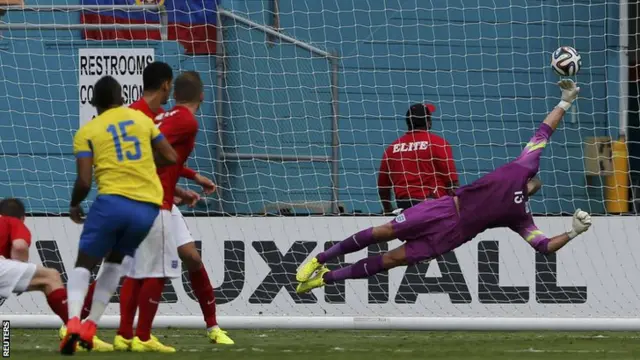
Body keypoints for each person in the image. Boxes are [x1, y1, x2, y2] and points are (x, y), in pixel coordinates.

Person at [296, 79, 592, 293]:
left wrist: (573, 232)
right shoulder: (522, 166)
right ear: (531, 179)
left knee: (391, 260)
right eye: (535, 181)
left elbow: (544, 247)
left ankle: (324, 279)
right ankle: (319, 260)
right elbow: (545, 130)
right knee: (382, 232)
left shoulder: (521, 216)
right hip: (442, 208)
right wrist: (565, 101)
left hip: (450, 233)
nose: (534, 184)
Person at [60, 75, 177, 355]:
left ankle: (74, 322)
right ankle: (91, 325)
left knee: (84, 264)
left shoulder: (88, 131)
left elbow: (85, 182)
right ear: (121, 98)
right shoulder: (142, 120)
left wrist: (75, 205)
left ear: (94, 104)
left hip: (112, 203)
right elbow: (171, 157)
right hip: (148, 207)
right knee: (115, 263)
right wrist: (147, 161)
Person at [378, 103, 459, 213]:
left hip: (405, 207)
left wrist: (388, 209)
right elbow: (452, 183)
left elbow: (383, 187)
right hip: (434, 206)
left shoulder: (391, 149)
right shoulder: (438, 143)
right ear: (428, 122)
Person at [0, 198, 69, 326]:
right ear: (22, 218)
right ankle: (74, 330)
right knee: (51, 277)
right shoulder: (11, 221)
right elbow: (19, 246)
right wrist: (19, 266)